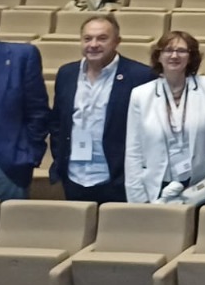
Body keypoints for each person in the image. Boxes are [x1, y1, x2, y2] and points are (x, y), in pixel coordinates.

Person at [49, 15, 155, 203]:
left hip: (118, 178)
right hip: (74, 175)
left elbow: (149, 130)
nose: (93, 44)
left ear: (117, 41)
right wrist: (59, 159)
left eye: (102, 38)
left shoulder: (141, 76)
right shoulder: (67, 73)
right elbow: (58, 122)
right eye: (87, 38)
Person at [125, 31, 205, 205]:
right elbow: (133, 149)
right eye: (168, 50)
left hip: (201, 183)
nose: (174, 56)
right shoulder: (141, 95)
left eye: (181, 51)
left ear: (191, 57)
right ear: (159, 56)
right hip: (157, 184)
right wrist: (136, 196)